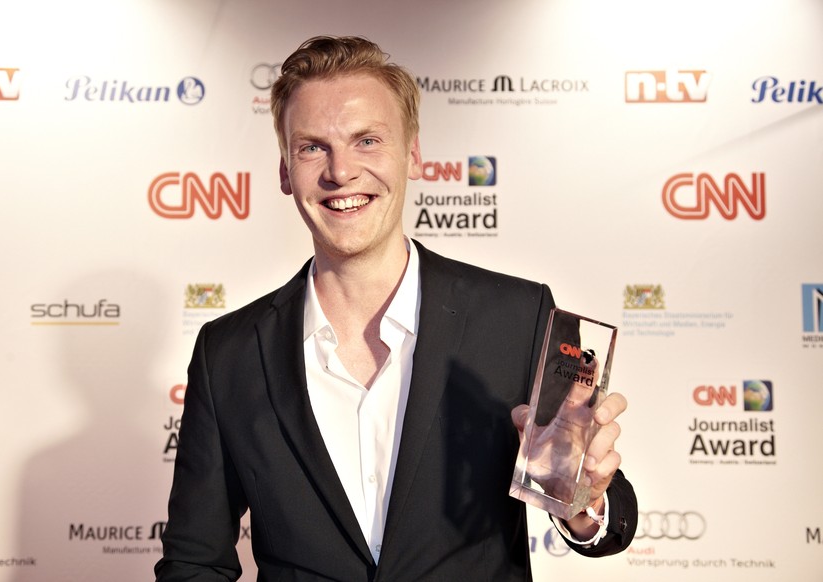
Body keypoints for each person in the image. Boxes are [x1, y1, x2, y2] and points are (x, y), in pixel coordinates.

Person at [155, 35, 636, 581]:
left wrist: (583, 500)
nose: (341, 172)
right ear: (285, 171)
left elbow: (603, 511)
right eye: (312, 146)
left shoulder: (519, 316)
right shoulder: (229, 353)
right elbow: (193, 561)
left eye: (366, 141)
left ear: (412, 155)